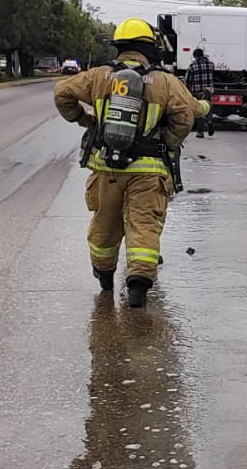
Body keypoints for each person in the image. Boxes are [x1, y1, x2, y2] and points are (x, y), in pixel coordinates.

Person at [54, 17, 209, 307]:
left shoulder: (98, 76)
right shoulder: (164, 81)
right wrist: (169, 142)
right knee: (143, 224)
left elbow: (62, 93)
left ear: (120, 47)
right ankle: (138, 285)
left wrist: (83, 119)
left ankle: (104, 275)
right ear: (149, 48)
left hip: (106, 168)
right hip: (148, 171)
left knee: (105, 224)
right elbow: (187, 115)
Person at [185, 47, 216, 137]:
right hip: (208, 90)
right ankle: (209, 121)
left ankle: (200, 132)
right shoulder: (211, 64)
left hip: (197, 91)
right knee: (208, 107)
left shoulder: (192, 66)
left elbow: (188, 80)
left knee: (199, 110)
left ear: (195, 56)